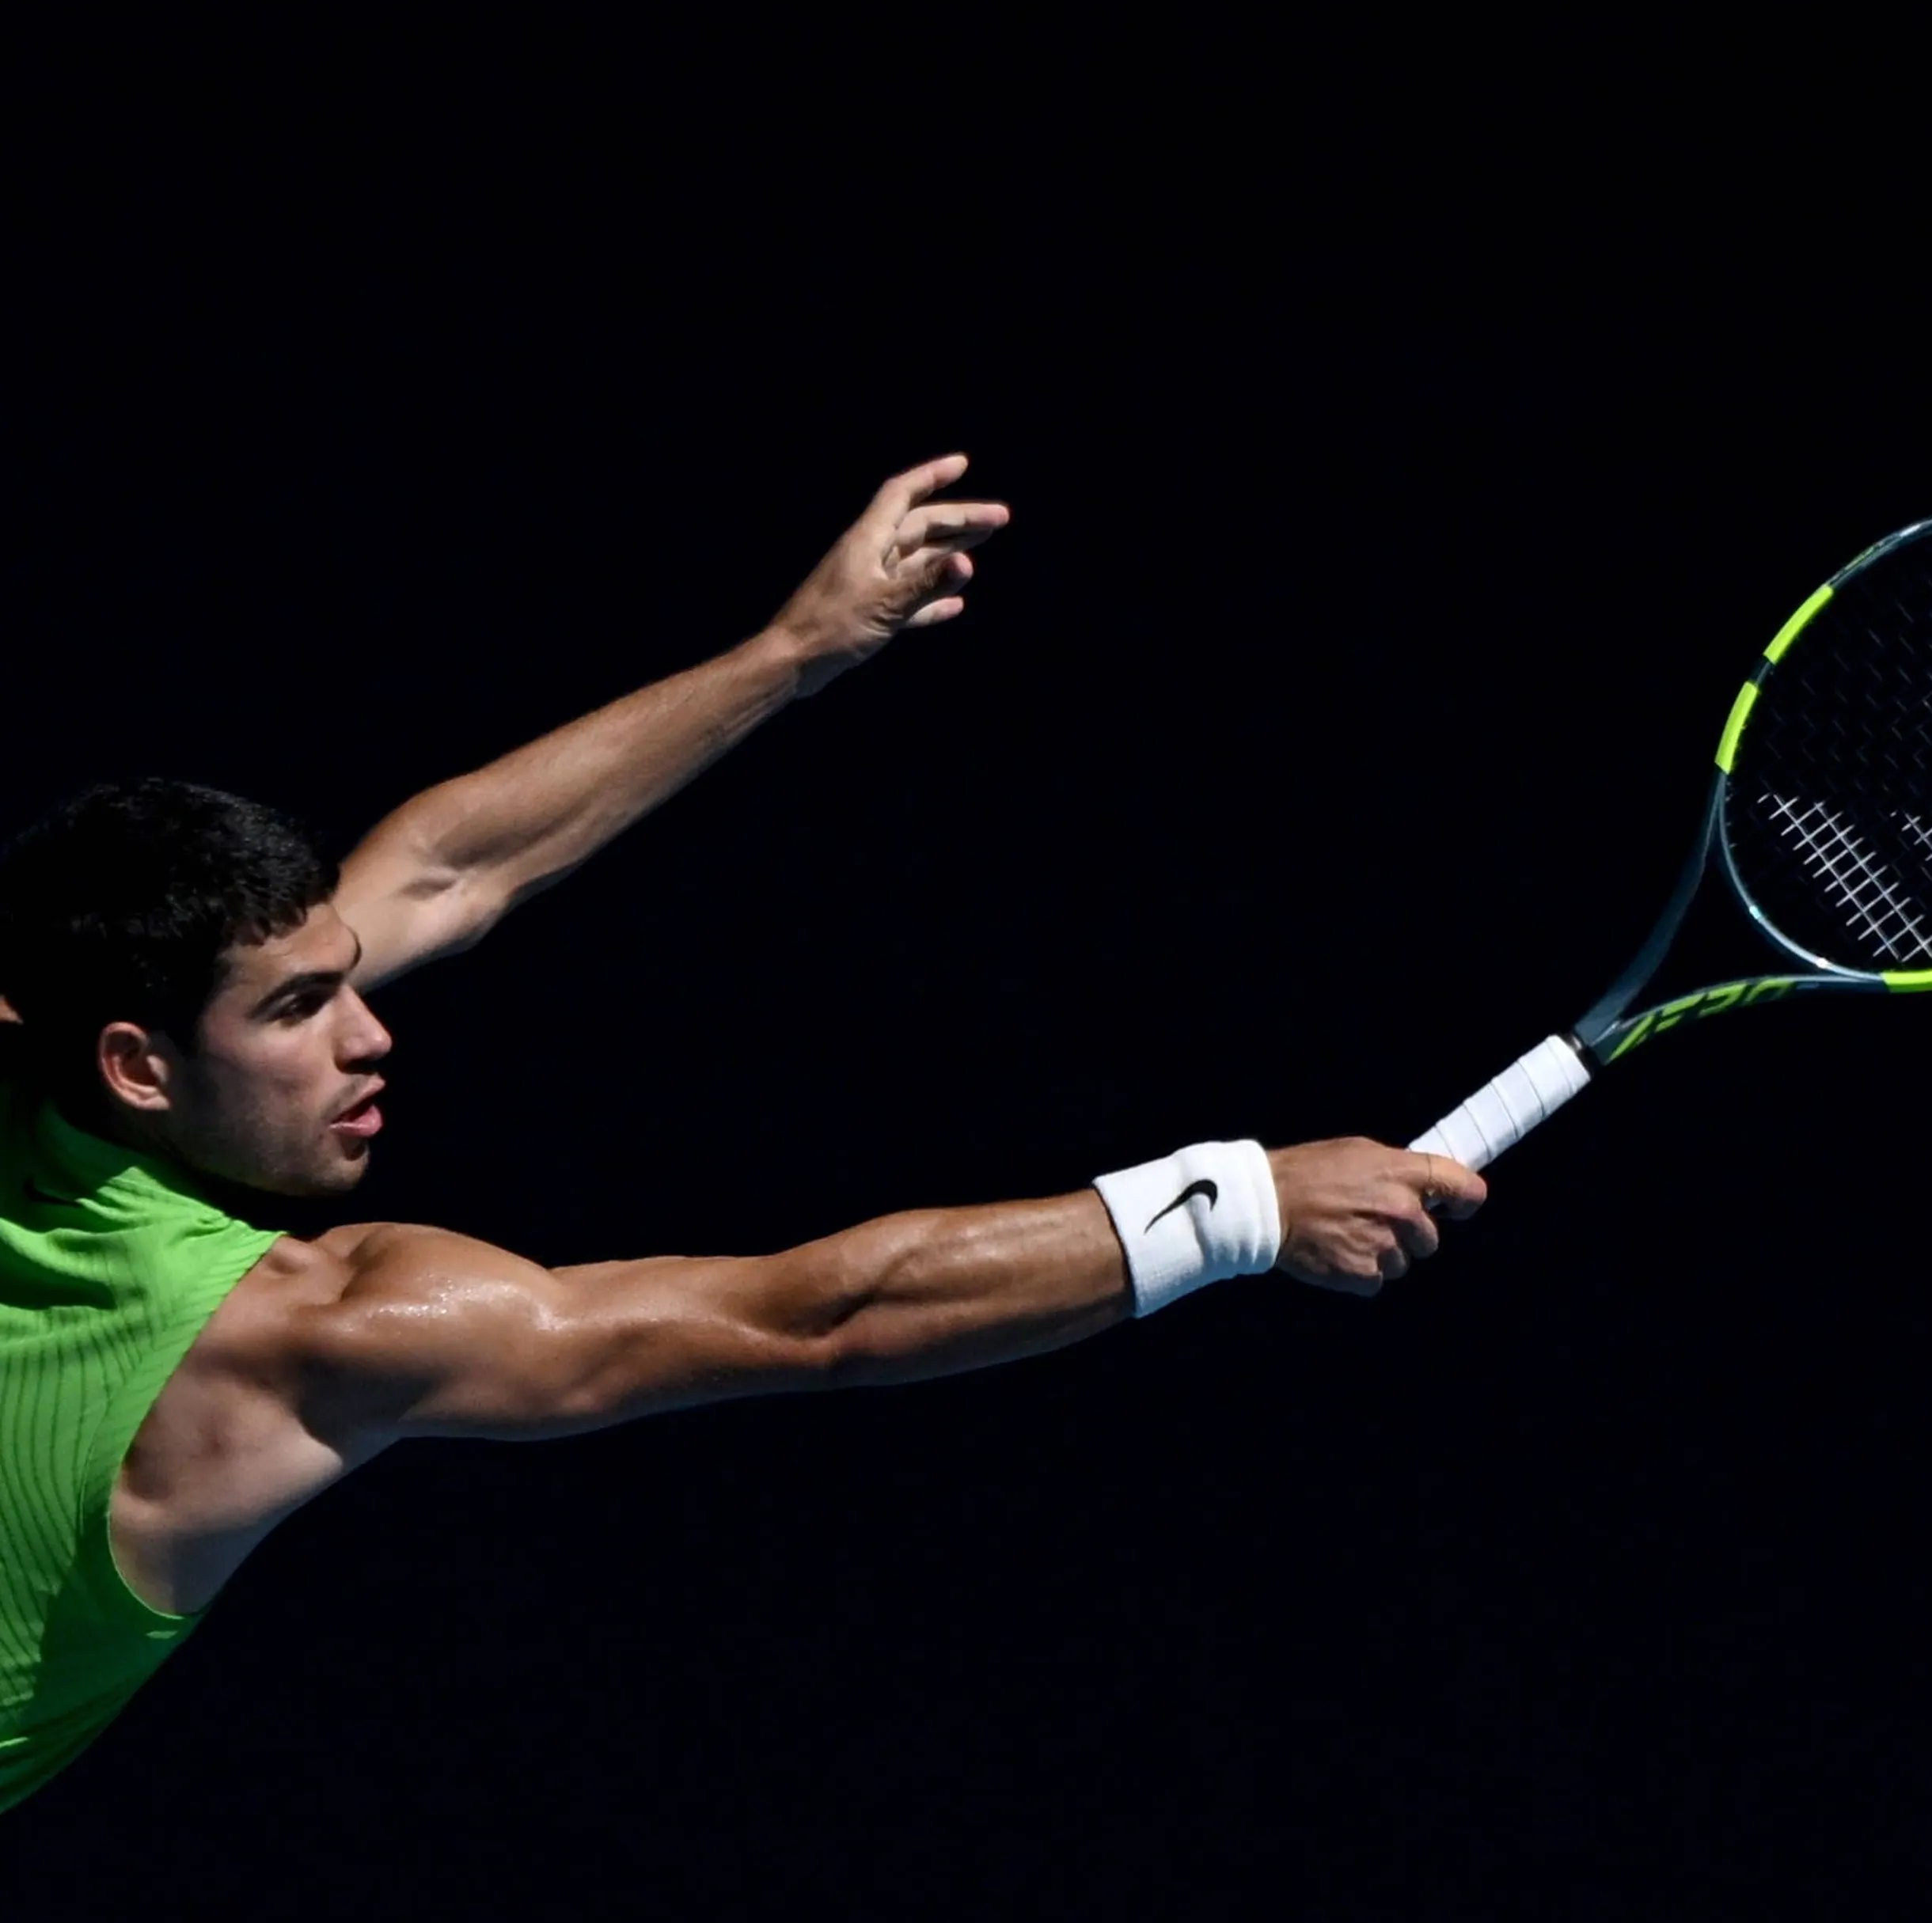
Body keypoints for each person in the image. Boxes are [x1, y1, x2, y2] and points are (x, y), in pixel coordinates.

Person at [0, 456, 1486, 1813]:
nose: (370, 1032)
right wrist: (1239, 1204)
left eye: (344, 979)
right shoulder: (295, 1336)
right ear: (135, 1064)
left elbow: (446, 868)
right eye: (298, 1009)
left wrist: (795, 650)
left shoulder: (57, 1032)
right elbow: (813, 1318)